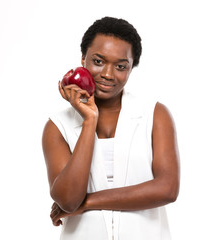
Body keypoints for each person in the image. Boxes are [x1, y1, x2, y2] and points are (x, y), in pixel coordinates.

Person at [42, 16, 180, 240]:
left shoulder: (155, 114)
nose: (107, 74)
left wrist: (88, 203)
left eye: (120, 66)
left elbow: (167, 188)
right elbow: (67, 200)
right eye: (98, 61)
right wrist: (89, 121)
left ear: (131, 68)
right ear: (83, 59)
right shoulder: (58, 126)